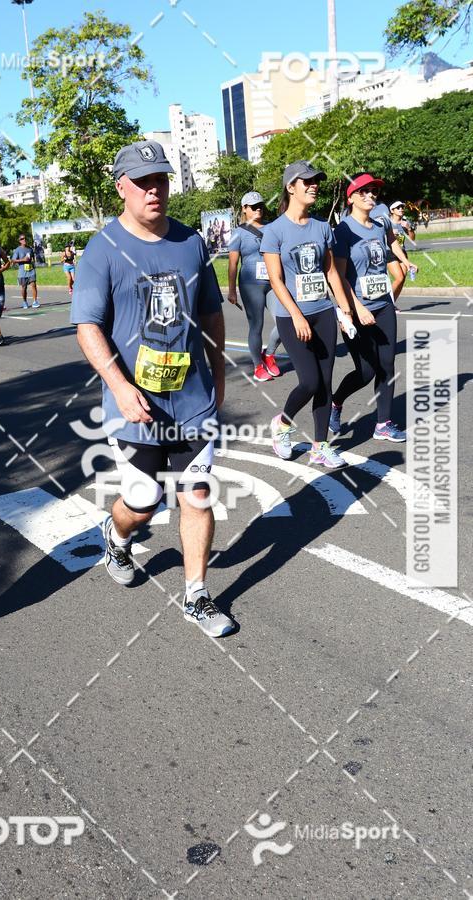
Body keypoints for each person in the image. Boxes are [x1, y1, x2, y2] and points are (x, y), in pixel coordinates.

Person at [72, 140, 233, 638]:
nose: (153, 190)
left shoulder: (191, 242)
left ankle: (197, 596)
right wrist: (118, 386)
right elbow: (88, 326)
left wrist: (219, 374)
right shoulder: (102, 249)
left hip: (191, 400)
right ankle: (116, 537)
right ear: (121, 186)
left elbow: (210, 312)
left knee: (198, 493)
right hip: (135, 404)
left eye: (160, 179)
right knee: (143, 503)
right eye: (142, 182)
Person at [262, 161, 354, 468]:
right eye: (307, 181)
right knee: (311, 381)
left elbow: (330, 272)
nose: (314, 185)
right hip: (292, 318)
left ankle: (320, 446)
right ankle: (283, 423)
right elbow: (276, 279)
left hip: (324, 312)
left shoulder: (322, 227)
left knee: (326, 383)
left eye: (316, 181)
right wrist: (297, 315)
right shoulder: (274, 231)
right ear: (291, 187)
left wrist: (344, 310)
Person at [329, 173, 417, 442]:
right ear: (352, 197)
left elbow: (391, 241)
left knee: (387, 365)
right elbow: (339, 277)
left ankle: (383, 424)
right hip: (357, 310)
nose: (370, 196)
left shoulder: (380, 224)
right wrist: (357, 309)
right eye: (364, 192)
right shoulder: (342, 231)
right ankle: (336, 402)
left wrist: (405, 261)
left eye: (373, 192)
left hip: (384, 304)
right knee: (366, 371)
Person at [228, 191, 282, 382]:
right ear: (244, 209)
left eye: (260, 205)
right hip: (251, 284)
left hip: (274, 282)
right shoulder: (238, 233)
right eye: (253, 206)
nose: (258, 209)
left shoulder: (273, 227)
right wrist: (232, 290)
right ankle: (258, 365)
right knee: (256, 326)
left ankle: (269, 354)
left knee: (286, 321)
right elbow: (233, 263)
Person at [387, 200, 416, 300]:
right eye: (398, 208)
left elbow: (412, 239)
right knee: (399, 278)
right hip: (390, 252)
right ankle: (387, 301)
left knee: (402, 279)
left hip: (402, 253)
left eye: (402, 207)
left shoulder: (405, 223)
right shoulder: (387, 222)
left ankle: (392, 303)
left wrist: (409, 229)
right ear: (392, 210)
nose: (401, 209)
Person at [12, 234, 40, 309]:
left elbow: (33, 258)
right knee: (24, 288)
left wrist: (33, 264)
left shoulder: (30, 249)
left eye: (25, 238)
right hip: (22, 272)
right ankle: (24, 301)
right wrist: (23, 260)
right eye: (22, 239)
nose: (24, 240)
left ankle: (35, 301)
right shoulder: (17, 250)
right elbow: (13, 260)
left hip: (31, 270)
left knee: (33, 285)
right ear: (19, 241)